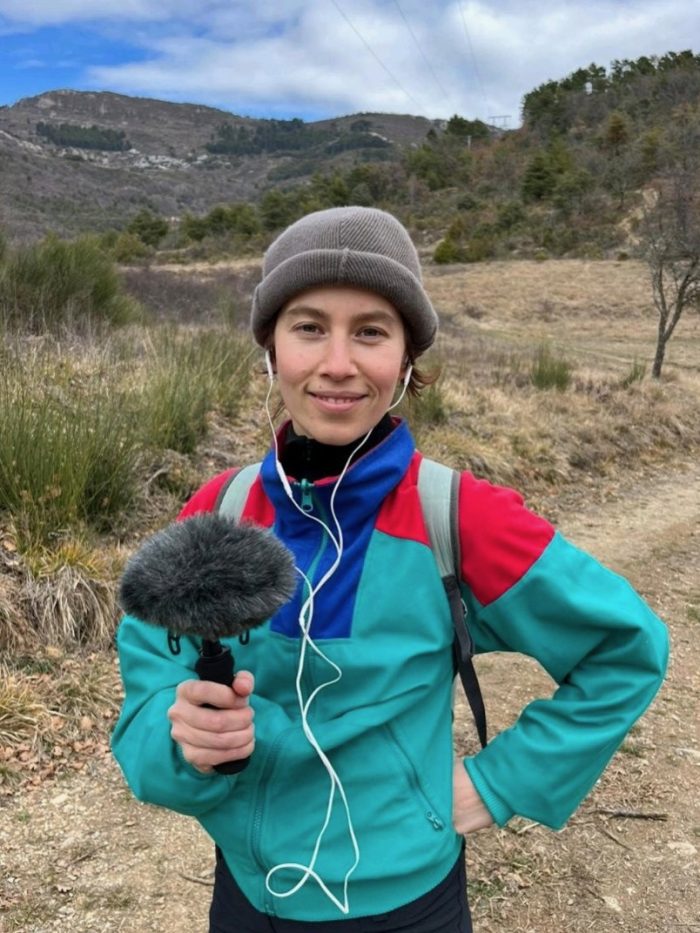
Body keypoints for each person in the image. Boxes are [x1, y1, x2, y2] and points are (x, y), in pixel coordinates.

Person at [112, 206, 669, 932]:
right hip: (247, 896)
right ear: (270, 350)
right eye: (309, 327)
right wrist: (184, 746)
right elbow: (147, 695)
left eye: (370, 331)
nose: (337, 363)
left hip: (409, 906)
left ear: (407, 359)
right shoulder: (218, 508)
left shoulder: (462, 517)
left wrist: (495, 783)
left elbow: (627, 650)